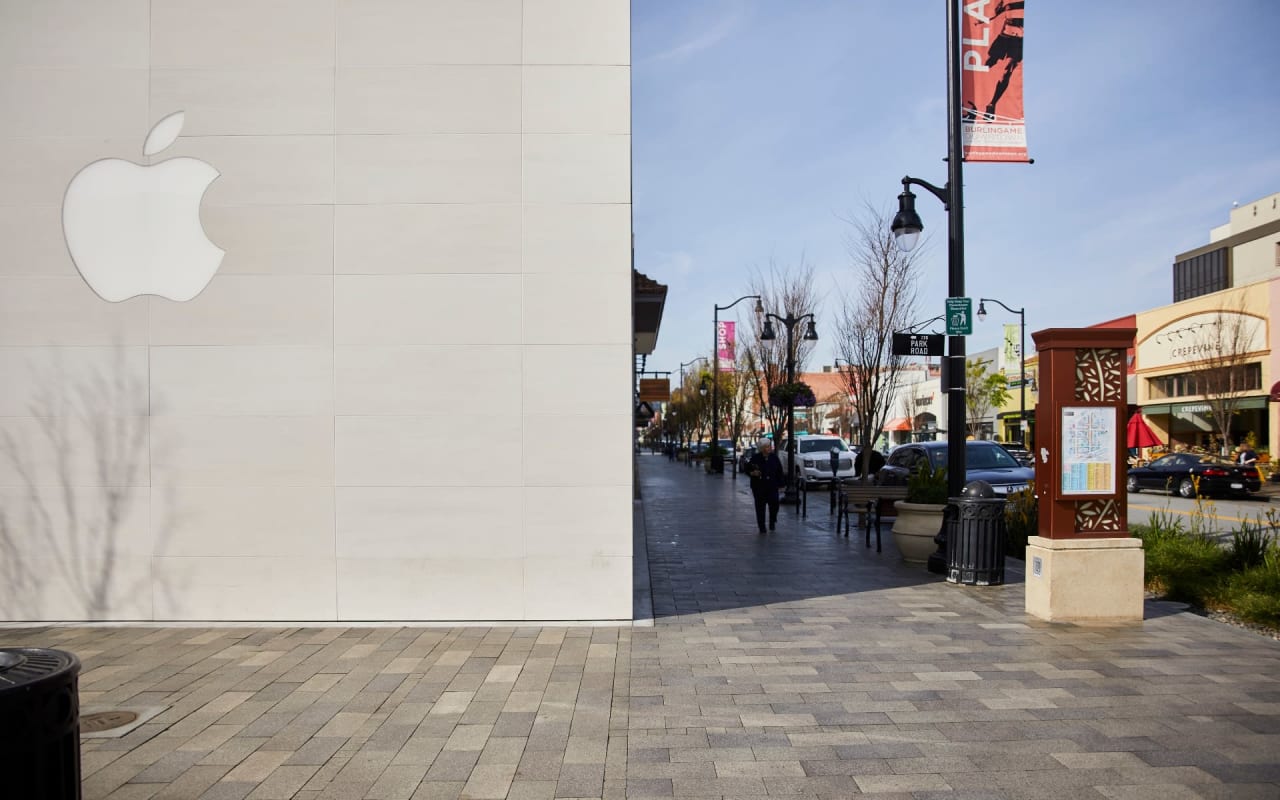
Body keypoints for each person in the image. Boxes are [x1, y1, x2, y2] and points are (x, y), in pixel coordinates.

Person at [746, 439, 785, 534]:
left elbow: (779, 472)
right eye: (767, 447)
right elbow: (747, 468)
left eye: (769, 446)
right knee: (760, 508)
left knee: (775, 504)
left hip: (772, 486)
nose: (769, 448)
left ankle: (772, 520)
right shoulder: (755, 458)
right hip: (759, 487)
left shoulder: (774, 458)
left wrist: (781, 484)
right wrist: (752, 473)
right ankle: (762, 527)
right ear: (762, 449)